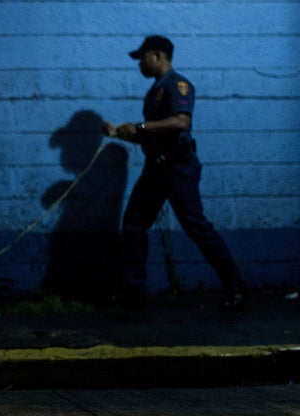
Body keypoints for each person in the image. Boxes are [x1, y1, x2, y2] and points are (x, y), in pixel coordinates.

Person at [102, 35, 244, 311]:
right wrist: (119, 133)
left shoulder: (178, 85)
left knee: (197, 228)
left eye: (142, 58)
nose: (140, 64)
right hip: (156, 169)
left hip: (178, 168)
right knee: (133, 224)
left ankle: (235, 284)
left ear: (158, 56)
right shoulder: (154, 90)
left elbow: (180, 122)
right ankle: (134, 292)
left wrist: (141, 127)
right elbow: (151, 135)